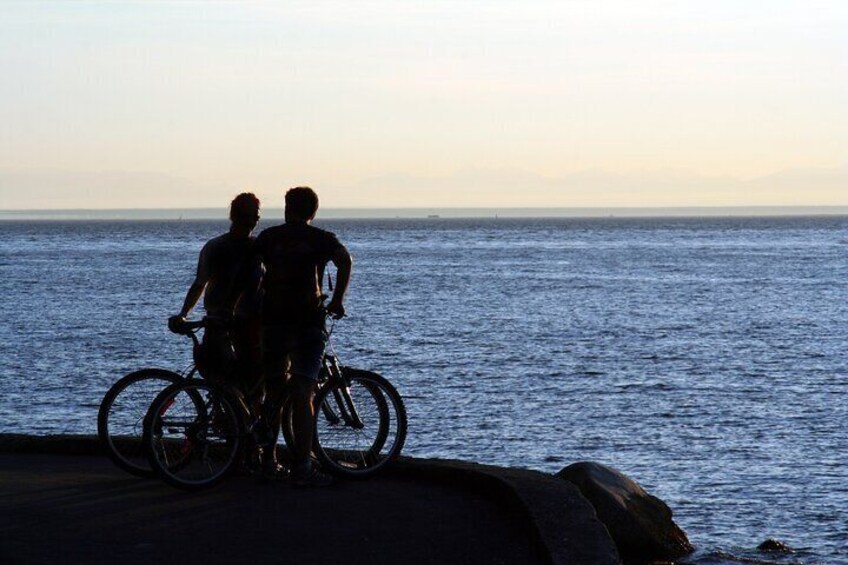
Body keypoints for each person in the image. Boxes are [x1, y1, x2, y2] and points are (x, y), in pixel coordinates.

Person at [257, 186, 352, 487]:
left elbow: (251, 273)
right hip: (307, 322)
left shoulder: (269, 238)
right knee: (302, 393)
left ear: (286, 208)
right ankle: (302, 467)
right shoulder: (320, 239)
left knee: (273, 393)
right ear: (313, 211)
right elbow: (345, 260)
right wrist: (337, 299)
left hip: (272, 322)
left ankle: (268, 462)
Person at [168, 193, 264, 398]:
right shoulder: (216, 247)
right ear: (235, 216)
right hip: (220, 324)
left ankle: (246, 424)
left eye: (256, 216)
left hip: (253, 324)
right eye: (249, 216)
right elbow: (199, 283)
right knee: (225, 383)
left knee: (255, 384)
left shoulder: (260, 248)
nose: (254, 221)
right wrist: (184, 313)